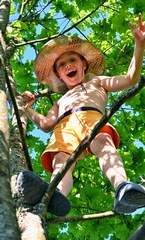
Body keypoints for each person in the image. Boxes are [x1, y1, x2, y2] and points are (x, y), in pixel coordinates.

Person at [17, 13, 145, 216]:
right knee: (61, 160)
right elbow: (46, 123)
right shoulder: (60, 101)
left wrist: (139, 45)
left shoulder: (97, 82)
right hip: (63, 127)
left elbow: (130, 79)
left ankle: (123, 187)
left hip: (91, 117)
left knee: (103, 142)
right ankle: (56, 194)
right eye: (62, 65)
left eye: (72, 60)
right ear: (59, 75)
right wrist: (25, 108)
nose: (68, 65)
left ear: (83, 65)